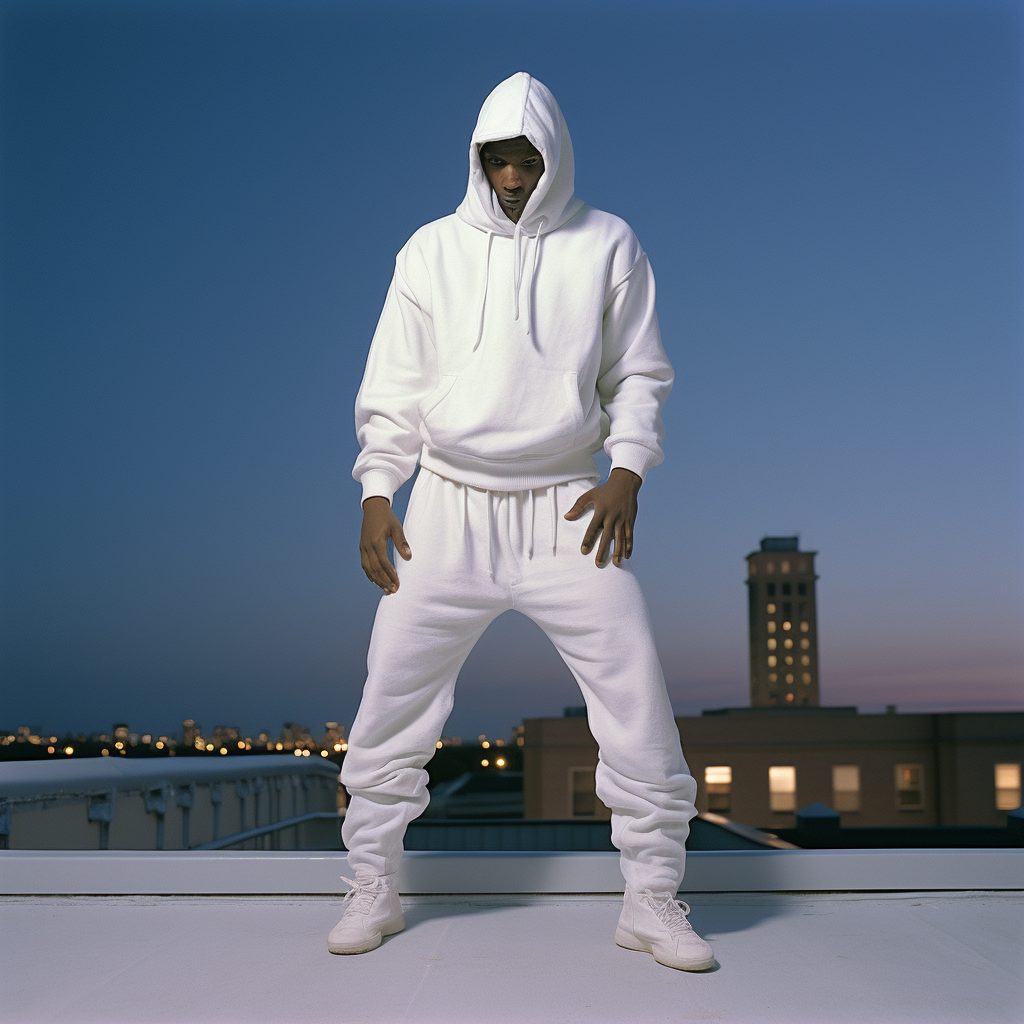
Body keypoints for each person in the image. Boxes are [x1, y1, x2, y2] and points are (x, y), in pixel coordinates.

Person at [329, 72, 714, 972]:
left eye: (526, 158)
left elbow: (641, 375)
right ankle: (371, 883)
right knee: (391, 698)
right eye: (495, 159)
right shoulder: (428, 250)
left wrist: (627, 473)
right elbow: (391, 385)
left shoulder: (608, 243)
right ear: (477, 161)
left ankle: (652, 899)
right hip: (447, 507)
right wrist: (377, 490)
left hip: (569, 506)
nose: (510, 175)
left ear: (555, 157)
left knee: (636, 701)